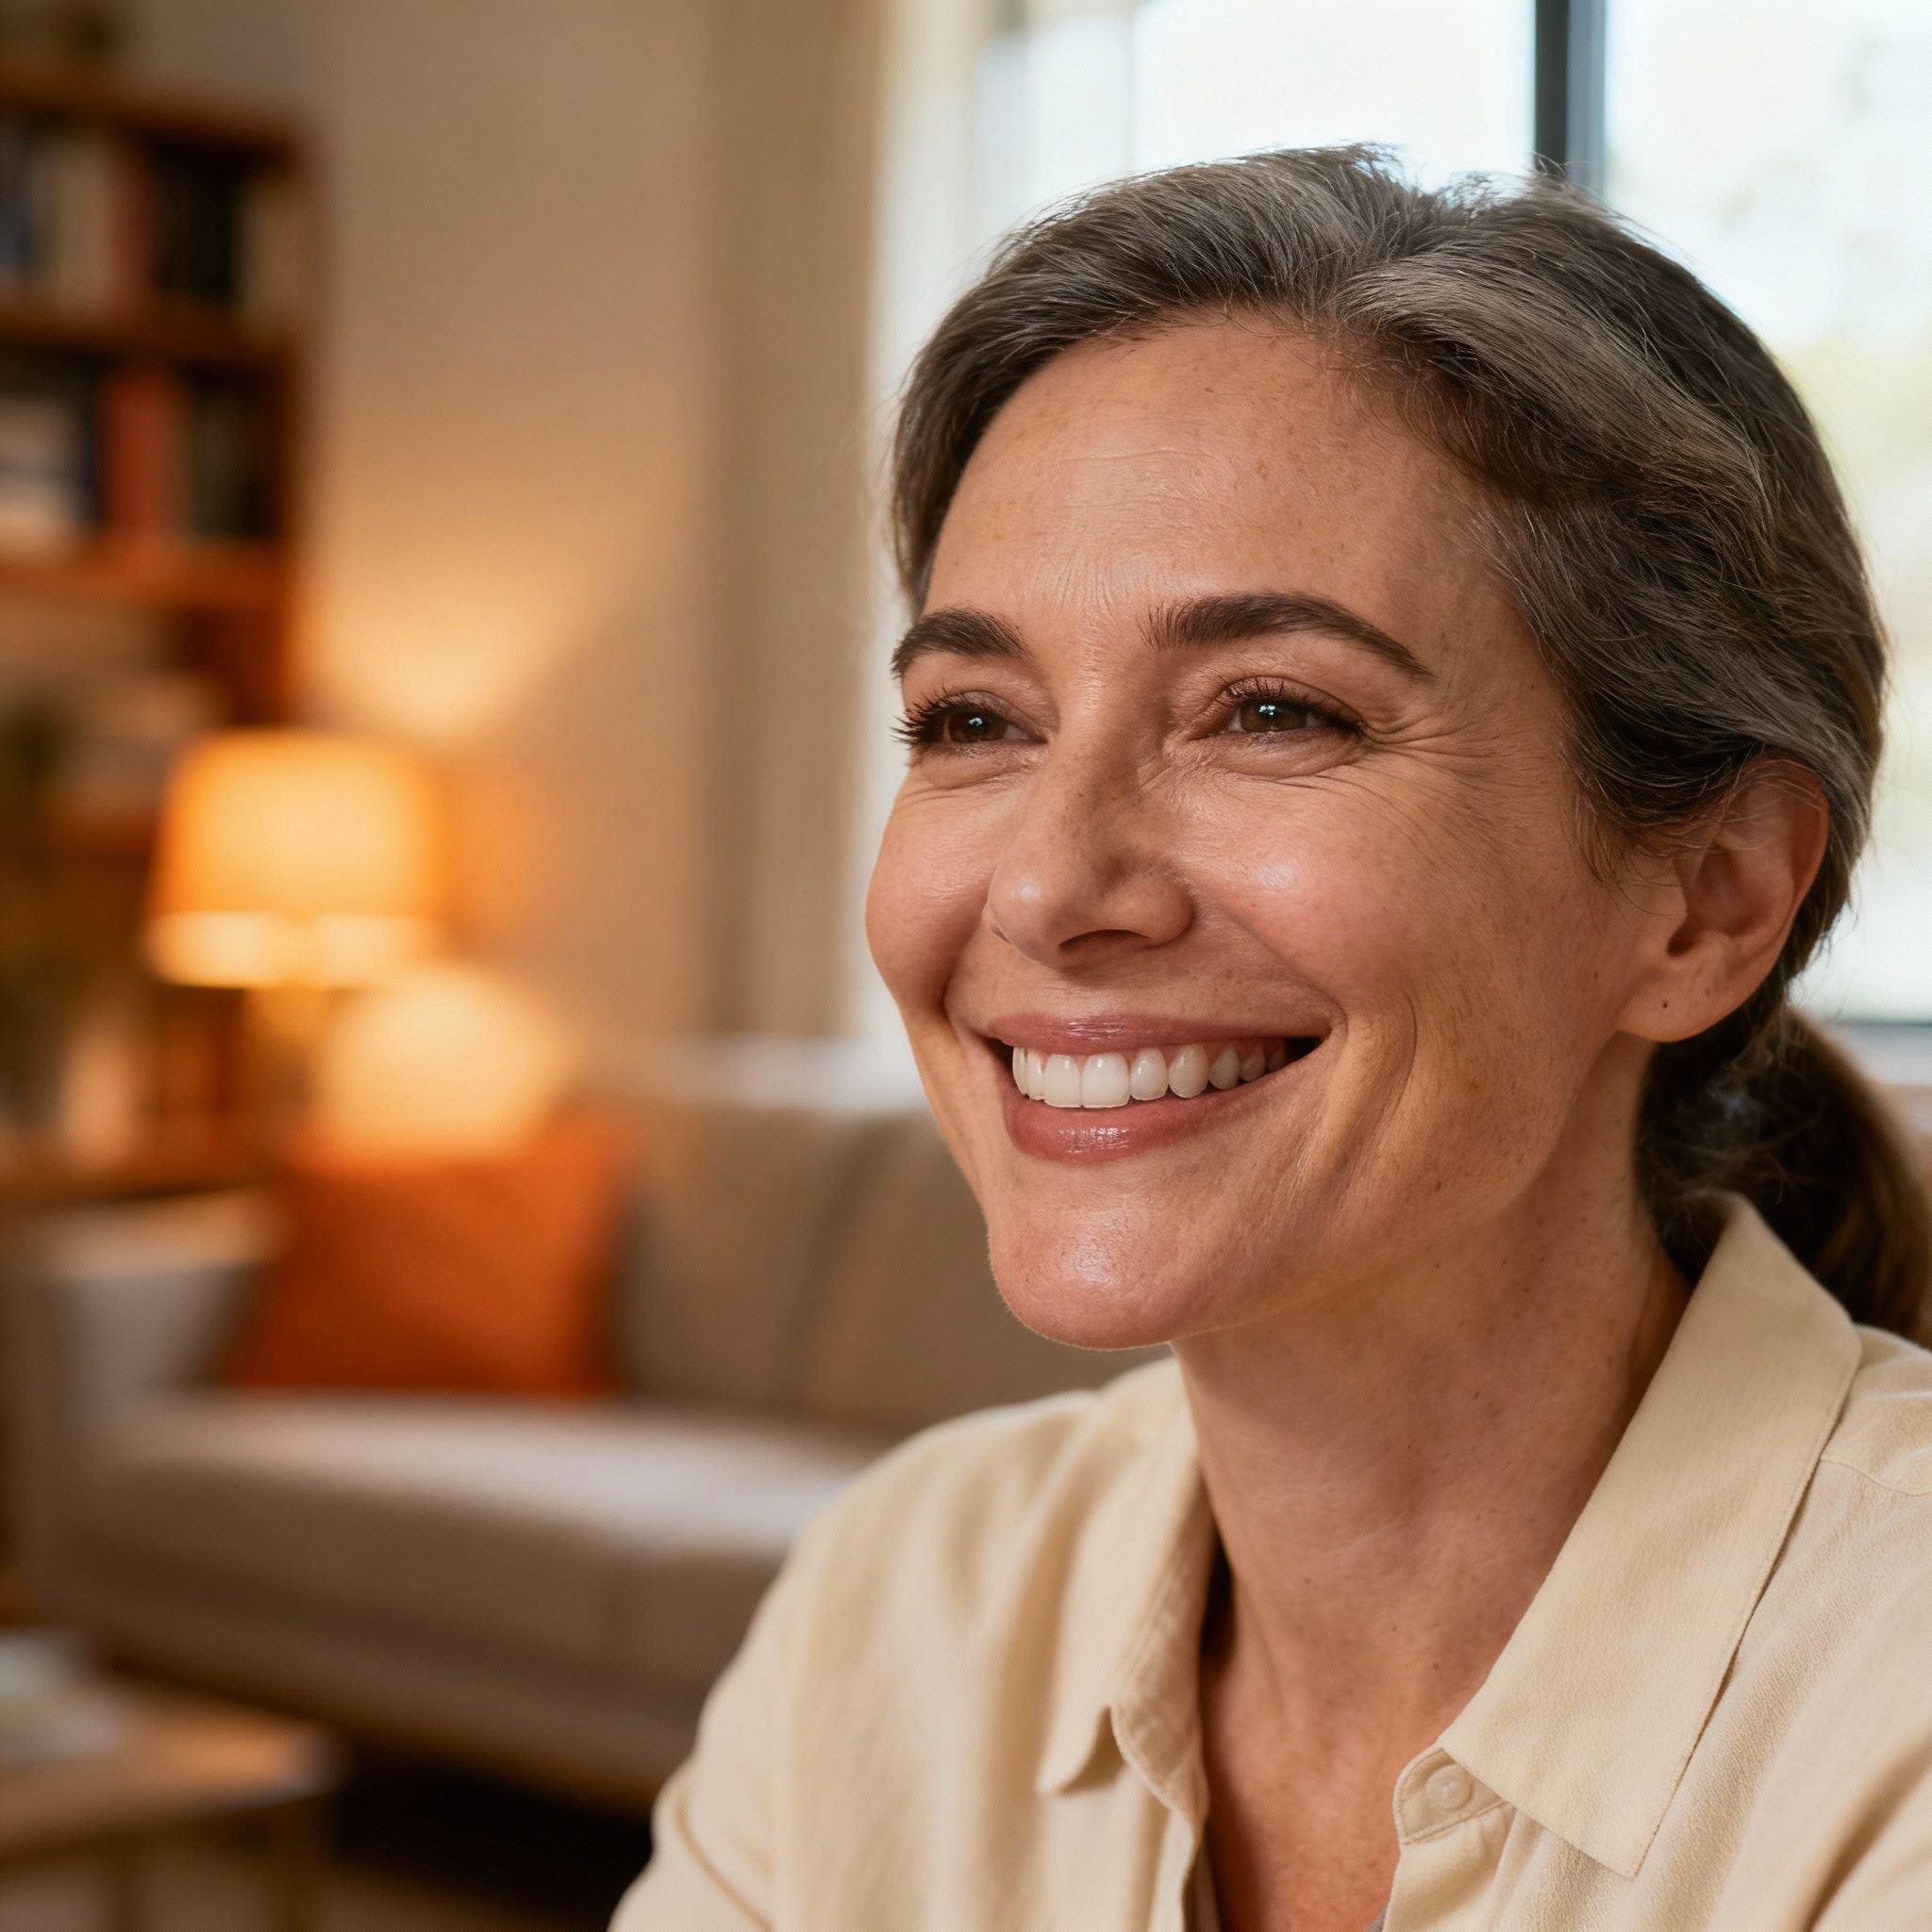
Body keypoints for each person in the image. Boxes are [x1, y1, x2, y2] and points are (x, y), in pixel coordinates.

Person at [613, 147, 1932, 1931]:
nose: (1048, 887)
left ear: (1707, 898)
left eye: (1274, 710)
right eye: (976, 719)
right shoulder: (907, 1597)